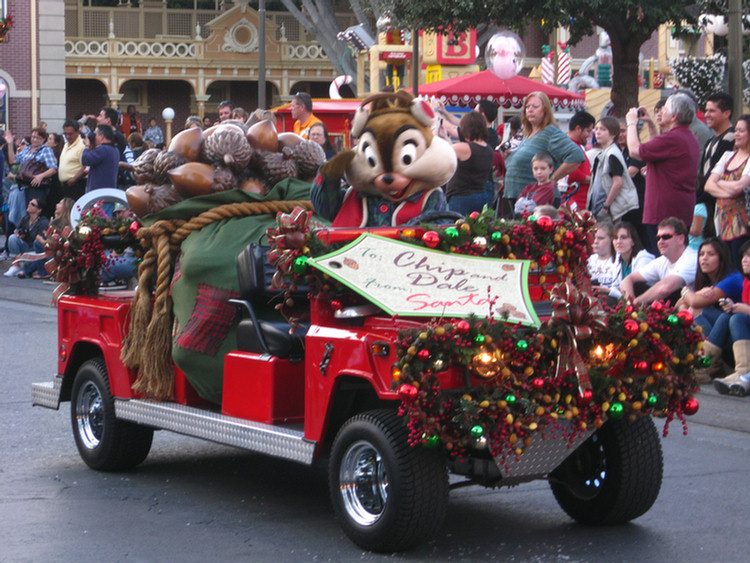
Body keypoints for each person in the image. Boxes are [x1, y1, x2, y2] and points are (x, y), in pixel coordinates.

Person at [625, 92, 700, 255]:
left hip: (663, 212)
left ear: (674, 116)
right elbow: (655, 149)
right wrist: (651, 125)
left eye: (664, 110)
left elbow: (635, 151)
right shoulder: (687, 137)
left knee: (664, 260)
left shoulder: (673, 138)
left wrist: (631, 124)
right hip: (679, 208)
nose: (660, 112)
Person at [502, 92, 584, 217]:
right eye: (527, 107)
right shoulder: (528, 134)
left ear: (545, 110)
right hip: (519, 198)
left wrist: (553, 179)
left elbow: (576, 156)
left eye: (535, 107)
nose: (530, 110)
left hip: (537, 201)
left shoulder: (549, 132)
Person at [703, 240, 750, 395]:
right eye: (743, 256)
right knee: (726, 316)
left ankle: (743, 373)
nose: (744, 259)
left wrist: (746, 310)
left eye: (749, 256)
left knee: (738, 318)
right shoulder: (746, 282)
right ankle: (703, 368)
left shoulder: (734, 278)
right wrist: (733, 305)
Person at [704, 114, 750, 269]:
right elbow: (708, 185)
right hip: (722, 222)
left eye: (741, 131)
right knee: (725, 266)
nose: (736, 134)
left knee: (739, 265)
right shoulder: (727, 156)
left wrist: (720, 183)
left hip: (742, 224)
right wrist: (729, 191)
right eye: (736, 130)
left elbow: (741, 187)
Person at [618, 217, 696, 306]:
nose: (660, 241)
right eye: (658, 238)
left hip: (691, 310)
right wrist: (629, 302)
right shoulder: (662, 261)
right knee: (637, 286)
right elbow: (627, 280)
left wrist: (635, 304)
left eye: (666, 237)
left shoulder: (691, 258)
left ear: (681, 239)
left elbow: (664, 289)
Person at [677, 237, 741, 337]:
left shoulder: (732, 278)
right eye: (701, 254)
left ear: (721, 258)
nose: (704, 258)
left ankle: (707, 350)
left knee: (695, 309)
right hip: (720, 326)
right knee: (683, 307)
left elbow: (694, 301)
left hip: (736, 329)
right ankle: (690, 347)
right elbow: (677, 305)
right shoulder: (706, 280)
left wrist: (685, 290)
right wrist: (696, 293)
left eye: (711, 254)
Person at [587, 117, 640, 226]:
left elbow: (618, 183)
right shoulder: (605, 153)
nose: (598, 132)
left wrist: (606, 206)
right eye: (596, 129)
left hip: (613, 210)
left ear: (613, 134)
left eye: (602, 129)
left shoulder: (612, 154)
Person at [697, 92, 735, 236]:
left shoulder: (730, 138)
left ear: (726, 113)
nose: (706, 115)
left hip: (721, 210)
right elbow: (703, 176)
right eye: (706, 110)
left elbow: (716, 177)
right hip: (708, 208)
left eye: (712, 111)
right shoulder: (710, 141)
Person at [445, 111, 494, 215]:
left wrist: (436, 129)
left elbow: (443, 152)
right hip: (481, 195)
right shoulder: (488, 149)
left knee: (459, 229)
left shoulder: (465, 148)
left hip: (461, 197)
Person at [20, 196, 75, 279]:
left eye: (60, 203)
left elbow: (50, 244)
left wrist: (40, 239)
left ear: (65, 207)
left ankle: (42, 272)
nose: (57, 205)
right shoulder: (71, 222)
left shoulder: (56, 222)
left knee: (37, 244)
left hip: (58, 255)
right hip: (64, 255)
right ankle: (27, 272)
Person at [5, 127, 59, 207]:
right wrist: (10, 144)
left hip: (36, 187)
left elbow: (53, 169)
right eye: (33, 137)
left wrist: (41, 176)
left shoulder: (46, 150)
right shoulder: (27, 149)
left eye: (38, 138)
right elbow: (13, 161)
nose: (34, 140)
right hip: (24, 185)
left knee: (34, 209)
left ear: (44, 139)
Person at [602, 221, 654, 301]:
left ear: (633, 241)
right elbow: (616, 287)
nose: (618, 242)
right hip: (626, 300)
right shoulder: (618, 258)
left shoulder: (643, 258)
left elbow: (638, 289)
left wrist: (609, 291)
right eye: (615, 238)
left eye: (624, 237)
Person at [4, 197, 50, 274]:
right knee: (12, 238)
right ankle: (16, 265)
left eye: (32, 204)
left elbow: (40, 243)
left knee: (28, 259)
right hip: (25, 248)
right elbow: (17, 230)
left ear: (39, 210)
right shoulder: (25, 219)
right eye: (29, 202)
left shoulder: (43, 222)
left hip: (36, 251)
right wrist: (19, 234)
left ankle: (25, 265)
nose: (29, 205)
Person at [562, 111, 595, 211]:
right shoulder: (568, 146)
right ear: (578, 129)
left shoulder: (575, 145)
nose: (590, 135)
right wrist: (594, 180)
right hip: (575, 203)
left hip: (579, 202)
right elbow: (572, 173)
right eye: (588, 131)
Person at [514, 151, 556, 215]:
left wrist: (524, 203)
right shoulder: (529, 187)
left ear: (550, 169)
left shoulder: (548, 188)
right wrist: (527, 204)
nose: (539, 172)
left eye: (543, 168)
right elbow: (517, 207)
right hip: (525, 220)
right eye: (535, 169)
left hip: (541, 221)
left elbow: (532, 207)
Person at [81, 125, 120, 192]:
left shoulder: (103, 149)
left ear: (101, 136)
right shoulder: (115, 149)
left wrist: (87, 145)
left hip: (98, 193)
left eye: (95, 134)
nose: (94, 137)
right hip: (108, 191)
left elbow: (85, 160)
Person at [58, 119, 87, 202]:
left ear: (78, 132)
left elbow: (86, 166)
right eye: (65, 134)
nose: (67, 136)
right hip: (65, 185)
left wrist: (74, 179)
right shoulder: (66, 144)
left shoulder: (82, 145)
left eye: (70, 134)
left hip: (76, 184)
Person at [588, 225, 619, 291]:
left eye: (600, 238)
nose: (595, 241)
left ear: (612, 239)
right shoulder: (589, 260)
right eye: (594, 237)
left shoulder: (619, 260)